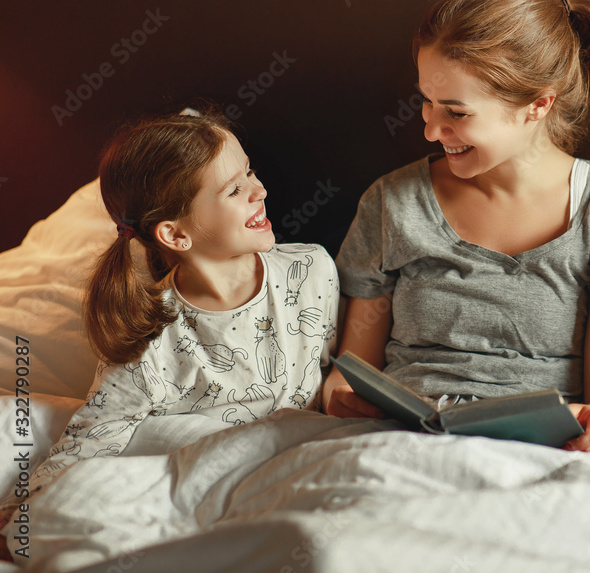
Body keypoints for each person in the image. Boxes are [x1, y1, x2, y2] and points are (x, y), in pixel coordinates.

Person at [323, 0, 590, 453]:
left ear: (537, 105)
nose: (432, 130)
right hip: (402, 445)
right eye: (426, 103)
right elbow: (350, 371)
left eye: (456, 112)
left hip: (536, 452)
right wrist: (341, 398)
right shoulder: (392, 203)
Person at [1, 110, 338, 517]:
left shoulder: (313, 271)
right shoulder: (151, 338)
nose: (260, 190)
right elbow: (88, 441)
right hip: (215, 499)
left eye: (250, 173)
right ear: (176, 234)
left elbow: (333, 380)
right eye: (234, 190)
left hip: (312, 478)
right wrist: (20, 522)